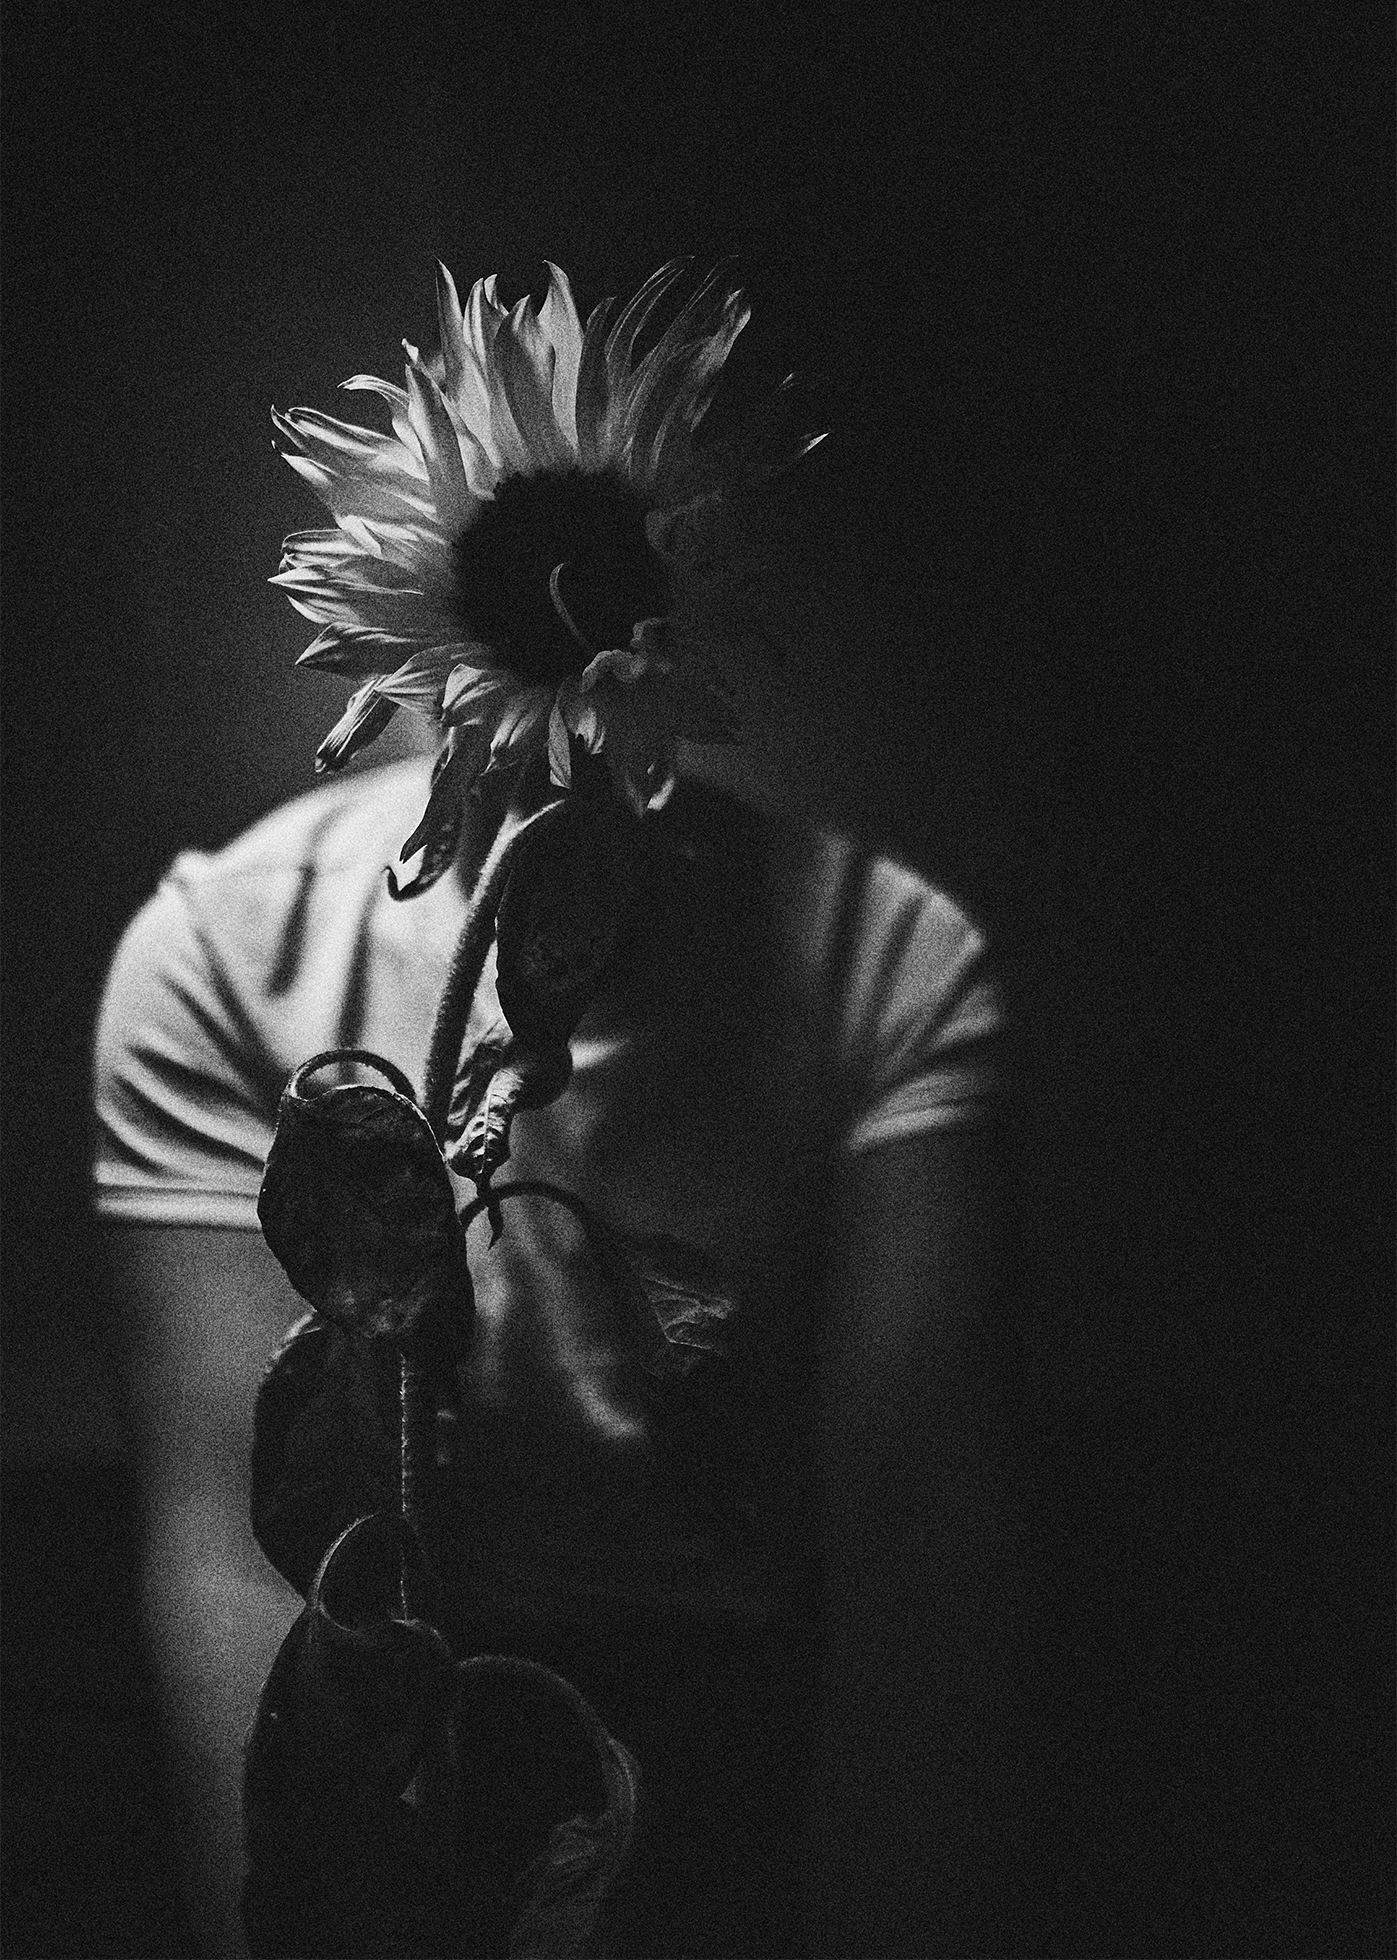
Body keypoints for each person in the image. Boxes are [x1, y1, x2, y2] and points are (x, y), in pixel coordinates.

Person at [93, 259, 1018, 1957]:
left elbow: (912, 1548)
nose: (583, 607)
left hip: (752, 1755)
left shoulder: (888, 958)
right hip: (374, 1753)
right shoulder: (221, 949)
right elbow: (230, 1550)